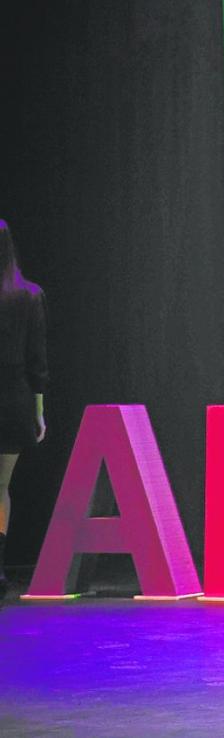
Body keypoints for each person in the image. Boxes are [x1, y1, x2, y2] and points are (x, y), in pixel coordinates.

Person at [0, 219, 49, 599]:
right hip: (13, 397)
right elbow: (37, 361)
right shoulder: (29, 295)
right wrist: (38, 410)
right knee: (1, 487)